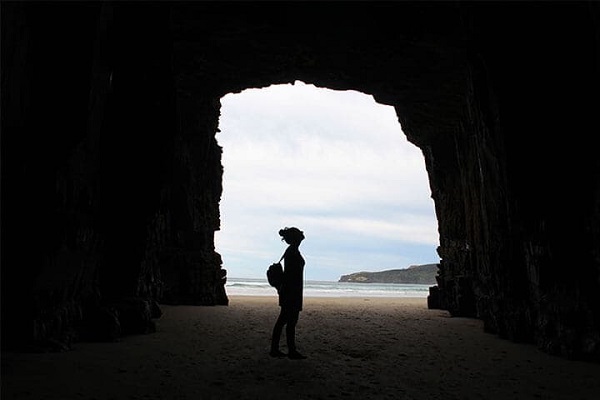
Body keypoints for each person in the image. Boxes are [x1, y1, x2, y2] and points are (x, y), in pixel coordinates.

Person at [270, 227, 307, 360]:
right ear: (296, 239)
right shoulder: (292, 252)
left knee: (287, 320)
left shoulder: (292, 251)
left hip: (291, 291)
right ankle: (288, 351)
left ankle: (280, 349)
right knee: (288, 321)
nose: (303, 236)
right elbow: (290, 275)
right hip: (291, 291)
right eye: (300, 235)